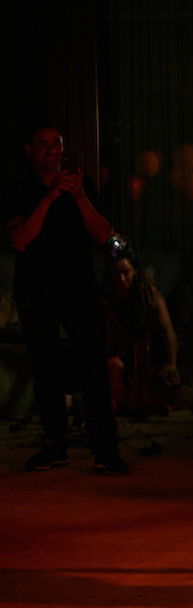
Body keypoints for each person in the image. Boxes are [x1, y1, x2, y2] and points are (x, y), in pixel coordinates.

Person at [3, 123, 126, 474]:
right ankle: (55, 445)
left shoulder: (82, 187)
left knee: (92, 367)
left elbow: (104, 235)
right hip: (36, 289)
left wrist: (80, 197)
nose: (51, 150)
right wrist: (49, 198)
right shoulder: (18, 190)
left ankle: (106, 449)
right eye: (43, 145)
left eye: (56, 144)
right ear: (29, 150)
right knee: (46, 368)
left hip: (79, 287)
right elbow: (20, 240)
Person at [102, 244, 182, 416]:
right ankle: (126, 405)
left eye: (126, 273)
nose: (122, 279)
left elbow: (168, 331)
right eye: (117, 274)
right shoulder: (108, 298)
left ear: (135, 271)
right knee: (112, 365)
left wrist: (171, 363)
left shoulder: (151, 297)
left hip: (148, 357)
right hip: (124, 353)